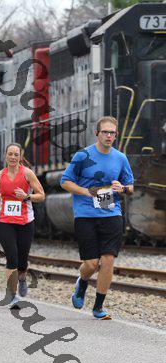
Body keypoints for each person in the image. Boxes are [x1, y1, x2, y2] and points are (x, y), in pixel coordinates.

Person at [61, 116, 134, 320]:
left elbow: (130, 187)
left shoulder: (121, 158)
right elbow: (65, 181)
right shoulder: (83, 155)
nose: (109, 136)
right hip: (85, 214)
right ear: (97, 133)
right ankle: (82, 282)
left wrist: (123, 188)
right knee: (91, 264)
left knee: (108, 260)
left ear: (116, 135)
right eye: (105, 132)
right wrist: (85, 192)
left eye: (112, 133)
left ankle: (98, 306)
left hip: (112, 213)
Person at [0, 143, 45, 309]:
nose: (13, 157)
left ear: (20, 157)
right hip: (4, 221)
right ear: (5, 156)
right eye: (10, 154)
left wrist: (27, 196)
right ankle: (12, 295)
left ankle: (22, 277)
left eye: (16, 154)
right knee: (12, 257)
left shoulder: (27, 173)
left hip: (25, 222)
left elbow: (41, 195)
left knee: (22, 260)